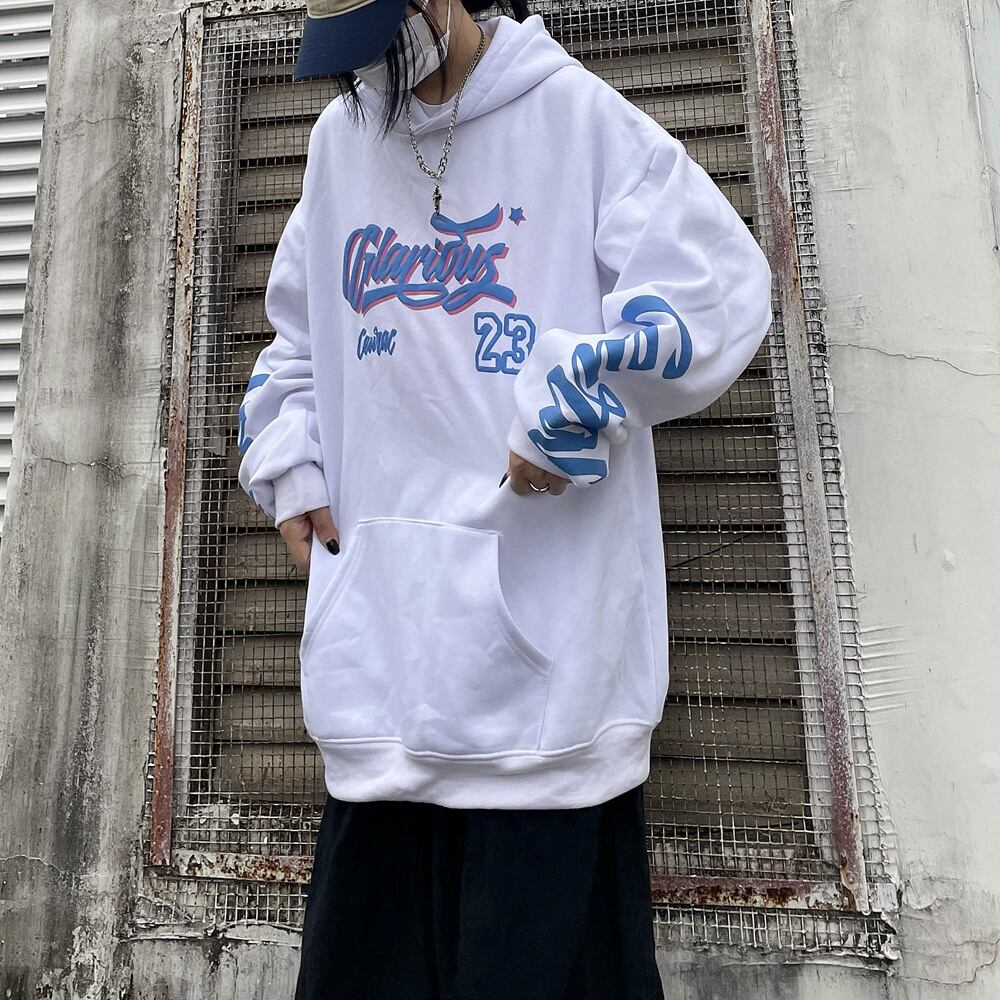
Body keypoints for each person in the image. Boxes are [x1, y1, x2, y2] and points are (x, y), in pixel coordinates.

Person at [236, 0, 774, 996]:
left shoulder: (574, 118)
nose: (367, 68)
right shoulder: (338, 142)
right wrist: (293, 472)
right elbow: (295, 346)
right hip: (381, 684)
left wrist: (577, 403)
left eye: (378, 32)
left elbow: (717, 289)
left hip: (544, 706)